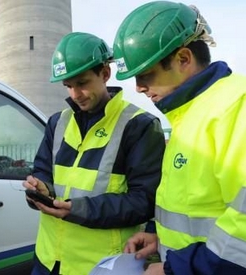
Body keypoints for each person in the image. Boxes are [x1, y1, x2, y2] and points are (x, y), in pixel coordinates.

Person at [112, 2, 246, 275]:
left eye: (146, 75)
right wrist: (159, 236)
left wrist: (173, 269)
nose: (138, 88)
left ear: (184, 59)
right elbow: (199, 206)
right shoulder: (192, 116)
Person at [23, 31, 166, 275]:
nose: (75, 95)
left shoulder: (139, 125)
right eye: (68, 86)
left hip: (101, 266)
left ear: (105, 73)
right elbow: (43, 171)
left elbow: (145, 202)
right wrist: (41, 189)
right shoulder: (57, 123)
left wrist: (77, 209)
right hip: (48, 260)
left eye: (82, 83)